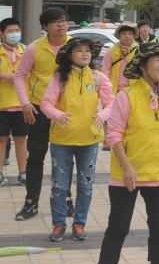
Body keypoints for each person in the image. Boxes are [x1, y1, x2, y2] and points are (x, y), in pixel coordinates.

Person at [95, 42, 159, 264]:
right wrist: (127, 167)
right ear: (143, 66)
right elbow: (113, 135)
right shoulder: (127, 95)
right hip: (128, 174)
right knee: (118, 226)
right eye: (157, 60)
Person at [40, 37, 114, 242]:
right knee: (59, 185)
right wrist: (58, 115)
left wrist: (102, 116)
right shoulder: (59, 77)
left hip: (89, 141)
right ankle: (58, 225)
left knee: (86, 185)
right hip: (61, 140)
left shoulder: (99, 77)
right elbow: (46, 104)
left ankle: (79, 224)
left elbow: (111, 104)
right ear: (69, 55)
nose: (84, 54)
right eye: (79, 50)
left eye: (88, 51)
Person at [14, 6, 69, 221]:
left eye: (63, 20)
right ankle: (31, 203)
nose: (61, 24)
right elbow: (20, 75)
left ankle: (66, 199)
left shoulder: (74, 45)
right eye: (55, 21)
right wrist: (25, 103)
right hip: (38, 109)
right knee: (36, 156)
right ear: (45, 27)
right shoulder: (34, 48)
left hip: (66, 111)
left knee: (65, 157)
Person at [0, 17, 27, 187]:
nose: (14, 34)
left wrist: (17, 78)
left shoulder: (26, 51)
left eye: (16, 30)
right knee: (1, 140)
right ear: (1, 34)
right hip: (1, 104)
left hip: (22, 104)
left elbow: (33, 74)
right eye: (10, 31)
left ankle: (23, 173)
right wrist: (3, 75)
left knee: (21, 139)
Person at [101, 23, 138, 94]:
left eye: (130, 34)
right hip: (115, 90)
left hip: (134, 90)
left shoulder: (138, 50)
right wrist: (107, 88)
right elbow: (105, 70)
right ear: (119, 36)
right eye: (124, 34)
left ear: (133, 36)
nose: (127, 36)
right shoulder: (111, 51)